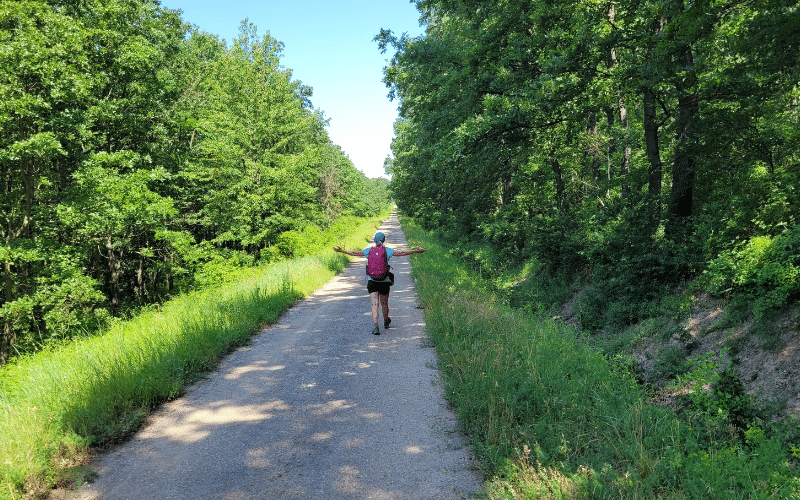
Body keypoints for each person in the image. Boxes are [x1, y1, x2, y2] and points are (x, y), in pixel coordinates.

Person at [333, 231, 426, 335]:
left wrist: (342, 251)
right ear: (384, 240)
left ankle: (376, 327)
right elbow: (401, 253)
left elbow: (355, 253)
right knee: (384, 303)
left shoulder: (369, 250)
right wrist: (416, 251)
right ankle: (386, 321)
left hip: (372, 281)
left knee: (374, 304)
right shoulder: (387, 250)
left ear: (374, 240)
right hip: (384, 281)